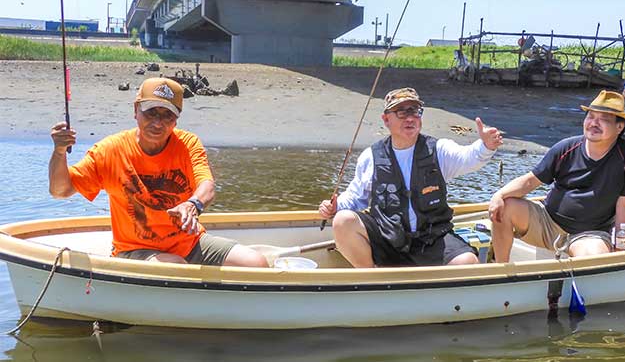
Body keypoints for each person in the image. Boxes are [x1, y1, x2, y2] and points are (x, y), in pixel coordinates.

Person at [49, 77, 268, 267]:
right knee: (176, 266)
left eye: (167, 116)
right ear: (136, 110)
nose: (157, 123)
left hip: (189, 243)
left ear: (177, 118)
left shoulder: (188, 144)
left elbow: (207, 186)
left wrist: (194, 204)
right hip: (135, 250)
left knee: (256, 263)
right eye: (151, 113)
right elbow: (60, 190)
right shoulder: (110, 150)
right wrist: (60, 151)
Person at [318, 87, 503, 267]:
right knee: (342, 221)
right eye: (401, 112)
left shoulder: (439, 150)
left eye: (415, 111)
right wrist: (334, 206)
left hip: (431, 240)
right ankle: (373, 280)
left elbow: (469, 157)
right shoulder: (371, 157)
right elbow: (355, 197)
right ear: (386, 119)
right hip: (387, 240)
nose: (409, 118)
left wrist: (486, 145)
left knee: (467, 263)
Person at [488, 90, 625, 262]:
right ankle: (500, 269)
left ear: (619, 127)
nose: (594, 123)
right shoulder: (565, 148)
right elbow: (530, 181)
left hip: (589, 234)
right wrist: (499, 195)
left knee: (593, 258)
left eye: (603, 119)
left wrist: (620, 246)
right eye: (590, 117)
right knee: (503, 206)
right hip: (547, 223)